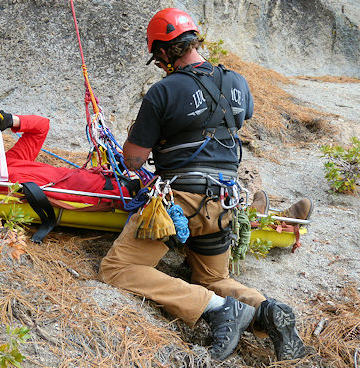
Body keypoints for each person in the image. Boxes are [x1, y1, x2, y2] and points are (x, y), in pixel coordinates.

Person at [99, 8, 310, 361]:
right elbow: (241, 118)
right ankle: (265, 308)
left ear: (164, 51)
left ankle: (216, 309)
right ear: (194, 40)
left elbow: (134, 159)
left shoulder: (163, 91)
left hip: (180, 201)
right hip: (224, 204)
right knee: (212, 276)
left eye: (159, 57)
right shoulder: (238, 82)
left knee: (117, 269)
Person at [0, 108, 133, 205]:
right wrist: (113, 196)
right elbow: (64, 197)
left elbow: (42, 126)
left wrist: (11, 120)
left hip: (102, 181)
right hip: (106, 192)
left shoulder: (9, 160)